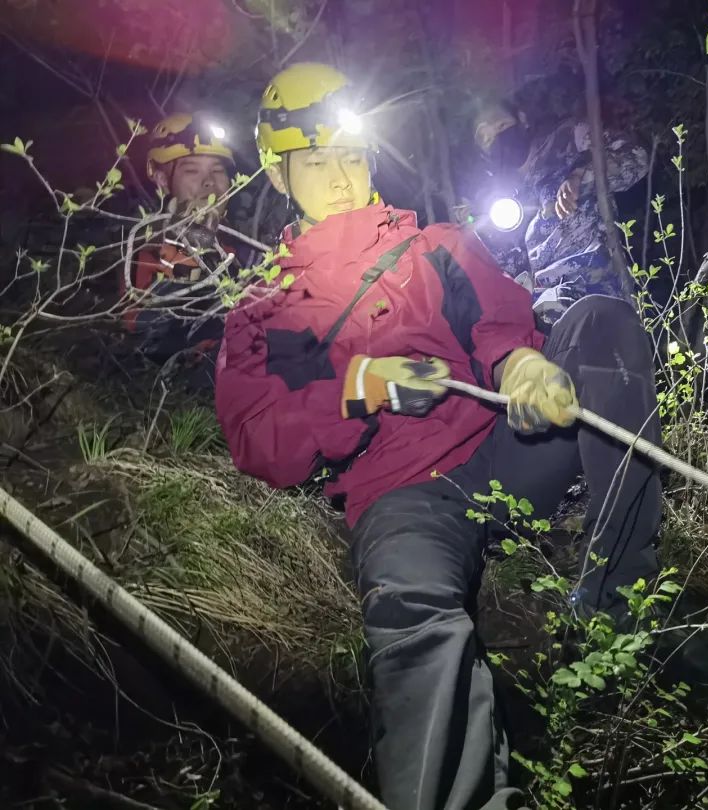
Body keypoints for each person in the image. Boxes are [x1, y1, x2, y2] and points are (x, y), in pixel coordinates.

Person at [214, 63, 663, 810]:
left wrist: (523, 365)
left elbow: (497, 322)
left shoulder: (436, 246)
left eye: (351, 156)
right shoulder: (268, 308)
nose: (340, 178)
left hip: (503, 450)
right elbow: (257, 438)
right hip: (401, 495)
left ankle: (619, 604)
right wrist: (360, 389)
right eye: (316, 162)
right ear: (280, 173)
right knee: (413, 614)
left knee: (600, 323)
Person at [472, 100, 649, 325]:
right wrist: (478, 235)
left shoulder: (568, 138)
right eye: (487, 139)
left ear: (521, 119)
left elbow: (637, 158)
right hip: (545, 313)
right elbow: (506, 272)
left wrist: (581, 174)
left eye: (501, 125)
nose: (498, 138)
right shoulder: (500, 199)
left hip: (599, 289)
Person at [122, 111, 239, 378]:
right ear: (163, 179)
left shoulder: (240, 242)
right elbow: (139, 332)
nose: (209, 181)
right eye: (191, 170)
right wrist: (193, 252)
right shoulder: (144, 244)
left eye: (217, 170)